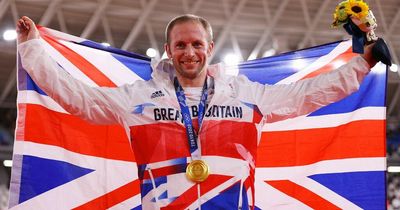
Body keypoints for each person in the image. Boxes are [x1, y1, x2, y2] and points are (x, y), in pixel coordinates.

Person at [17, 14, 376, 209]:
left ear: (211, 48)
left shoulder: (246, 95)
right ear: (168, 50)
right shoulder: (139, 98)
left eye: (197, 44)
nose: (190, 52)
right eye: (181, 45)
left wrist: (362, 64)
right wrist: (32, 49)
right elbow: (78, 97)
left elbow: (307, 94)